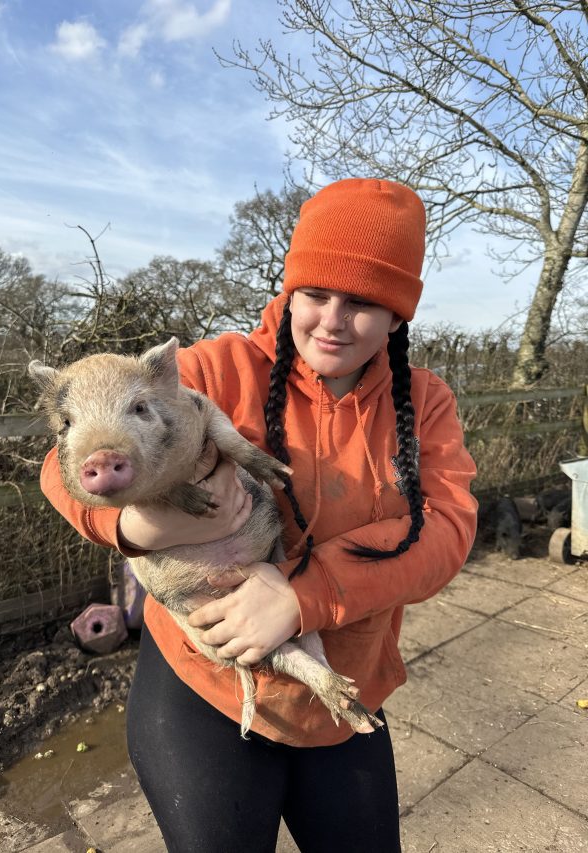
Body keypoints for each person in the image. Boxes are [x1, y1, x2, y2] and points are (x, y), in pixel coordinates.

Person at [40, 178, 477, 853]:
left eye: (361, 301)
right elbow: (63, 466)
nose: (332, 319)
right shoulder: (214, 369)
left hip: (338, 690)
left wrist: (304, 596)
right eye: (315, 293)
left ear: (398, 314)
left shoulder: (427, 404)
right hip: (202, 689)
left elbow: (448, 529)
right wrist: (137, 527)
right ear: (290, 291)